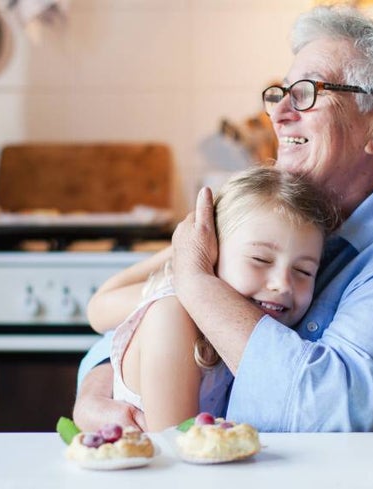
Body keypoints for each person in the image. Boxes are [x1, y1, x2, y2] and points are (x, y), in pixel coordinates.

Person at [74, 5, 373, 432]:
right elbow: (139, 324)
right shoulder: (272, 222)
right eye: (280, 92)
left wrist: (197, 285)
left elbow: (332, 416)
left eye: (306, 92)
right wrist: (99, 387)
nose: (279, 112)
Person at [89, 166, 339, 431]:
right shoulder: (172, 314)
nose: (282, 284)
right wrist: (183, 251)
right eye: (260, 259)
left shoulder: (267, 334)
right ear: (214, 252)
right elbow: (178, 446)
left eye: (303, 271)